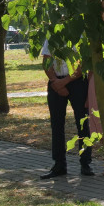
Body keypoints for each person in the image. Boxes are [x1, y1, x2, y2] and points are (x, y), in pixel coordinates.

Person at [39, 40, 93, 178]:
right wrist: (55, 82)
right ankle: (59, 165)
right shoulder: (52, 36)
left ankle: (85, 164)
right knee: (56, 124)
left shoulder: (80, 35)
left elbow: (84, 64)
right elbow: (46, 61)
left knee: (83, 123)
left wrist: (65, 82)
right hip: (55, 82)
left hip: (77, 83)